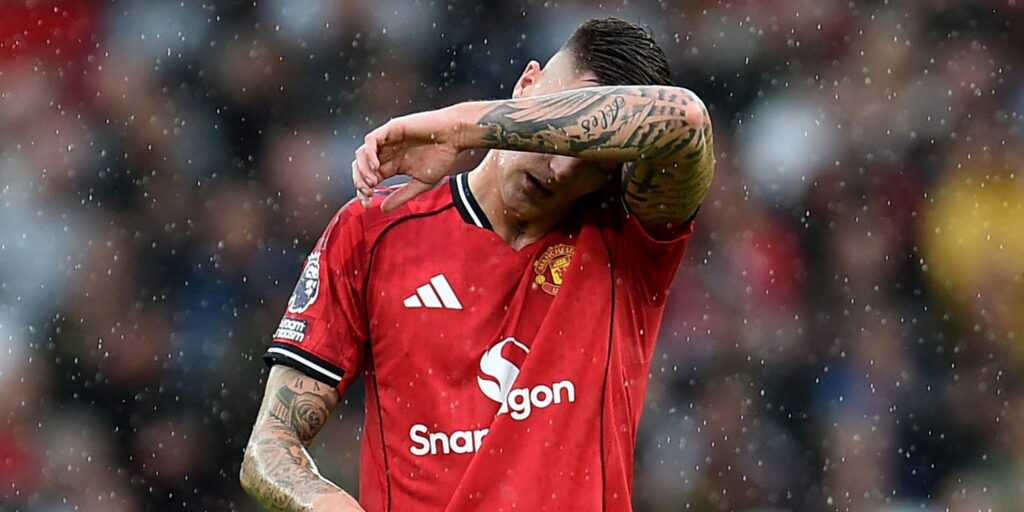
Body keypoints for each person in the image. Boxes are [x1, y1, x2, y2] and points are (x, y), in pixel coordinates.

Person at [240, 17, 714, 512]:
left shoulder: (627, 240)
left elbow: (686, 121)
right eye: (558, 131)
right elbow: (269, 447)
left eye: (592, 157)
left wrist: (463, 127)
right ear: (526, 84)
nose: (561, 167)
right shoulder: (375, 228)